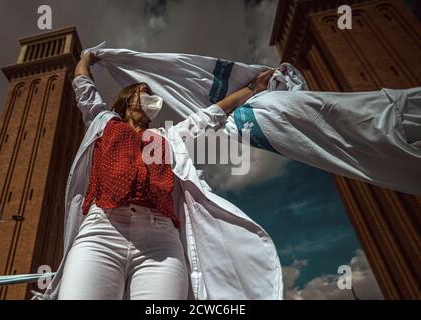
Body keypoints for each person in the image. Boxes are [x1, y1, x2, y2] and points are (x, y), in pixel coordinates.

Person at [55, 52, 278, 300]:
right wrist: (86, 59)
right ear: (128, 99)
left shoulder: (167, 137)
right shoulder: (105, 122)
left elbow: (209, 116)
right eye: (146, 93)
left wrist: (252, 87)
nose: (153, 99)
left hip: (161, 243)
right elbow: (84, 88)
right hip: (102, 232)